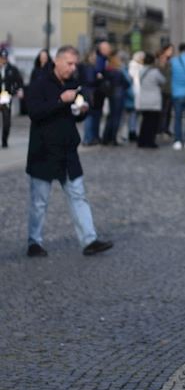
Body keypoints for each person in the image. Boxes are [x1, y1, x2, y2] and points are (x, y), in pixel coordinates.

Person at [24, 45, 113, 257]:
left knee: (78, 196)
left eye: (75, 64)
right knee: (39, 202)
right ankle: (34, 242)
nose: (73, 68)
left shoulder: (74, 83)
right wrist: (60, 101)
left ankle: (89, 240)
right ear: (57, 61)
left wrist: (81, 111)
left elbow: (74, 115)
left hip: (68, 151)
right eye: (69, 63)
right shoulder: (39, 83)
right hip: (43, 151)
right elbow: (34, 112)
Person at [136, 53, 166, 149]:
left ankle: (142, 140)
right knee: (153, 123)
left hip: (144, 99)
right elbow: (163, 81)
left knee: (145, 122)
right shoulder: (155, 72)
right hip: (154, 100)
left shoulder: (141, 71)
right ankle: (150, 141)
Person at [99, 52, 129, 145]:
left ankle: (106, 138)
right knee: (116, 117)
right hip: (118, 94)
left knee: (111, 116)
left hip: (111, 94)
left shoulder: (107, 70)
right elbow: (127, 83)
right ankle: (113, 138)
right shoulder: (117, 72)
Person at [0, 48, 24, 148]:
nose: (3, 60)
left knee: (6, 120)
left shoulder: (12, 69)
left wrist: (19, 90)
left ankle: (4, 140)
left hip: (5, 96)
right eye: (1, 58)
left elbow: (19, 81)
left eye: (5, 58)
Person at [125, 50, 146, 144]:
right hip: (134, 93)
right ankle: (132, 131)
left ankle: (133, 131)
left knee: (135, 115)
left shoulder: (135, 66)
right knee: (133, 114)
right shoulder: (134, 67)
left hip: (136, 93)